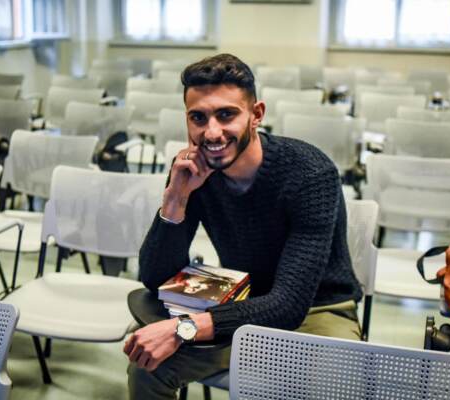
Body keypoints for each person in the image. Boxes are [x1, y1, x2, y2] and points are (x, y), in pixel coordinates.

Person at [124, 54, 363, 400]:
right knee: (147, 366)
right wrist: (175, 199)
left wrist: (184, 329)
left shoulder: (310, 175)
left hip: (319, 310)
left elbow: (289, 304)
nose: (212, 132)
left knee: (333, 389)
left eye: (226, 114)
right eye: (198, 117)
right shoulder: (193, 172)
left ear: (257, 115)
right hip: (242, 299)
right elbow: (153, 277)